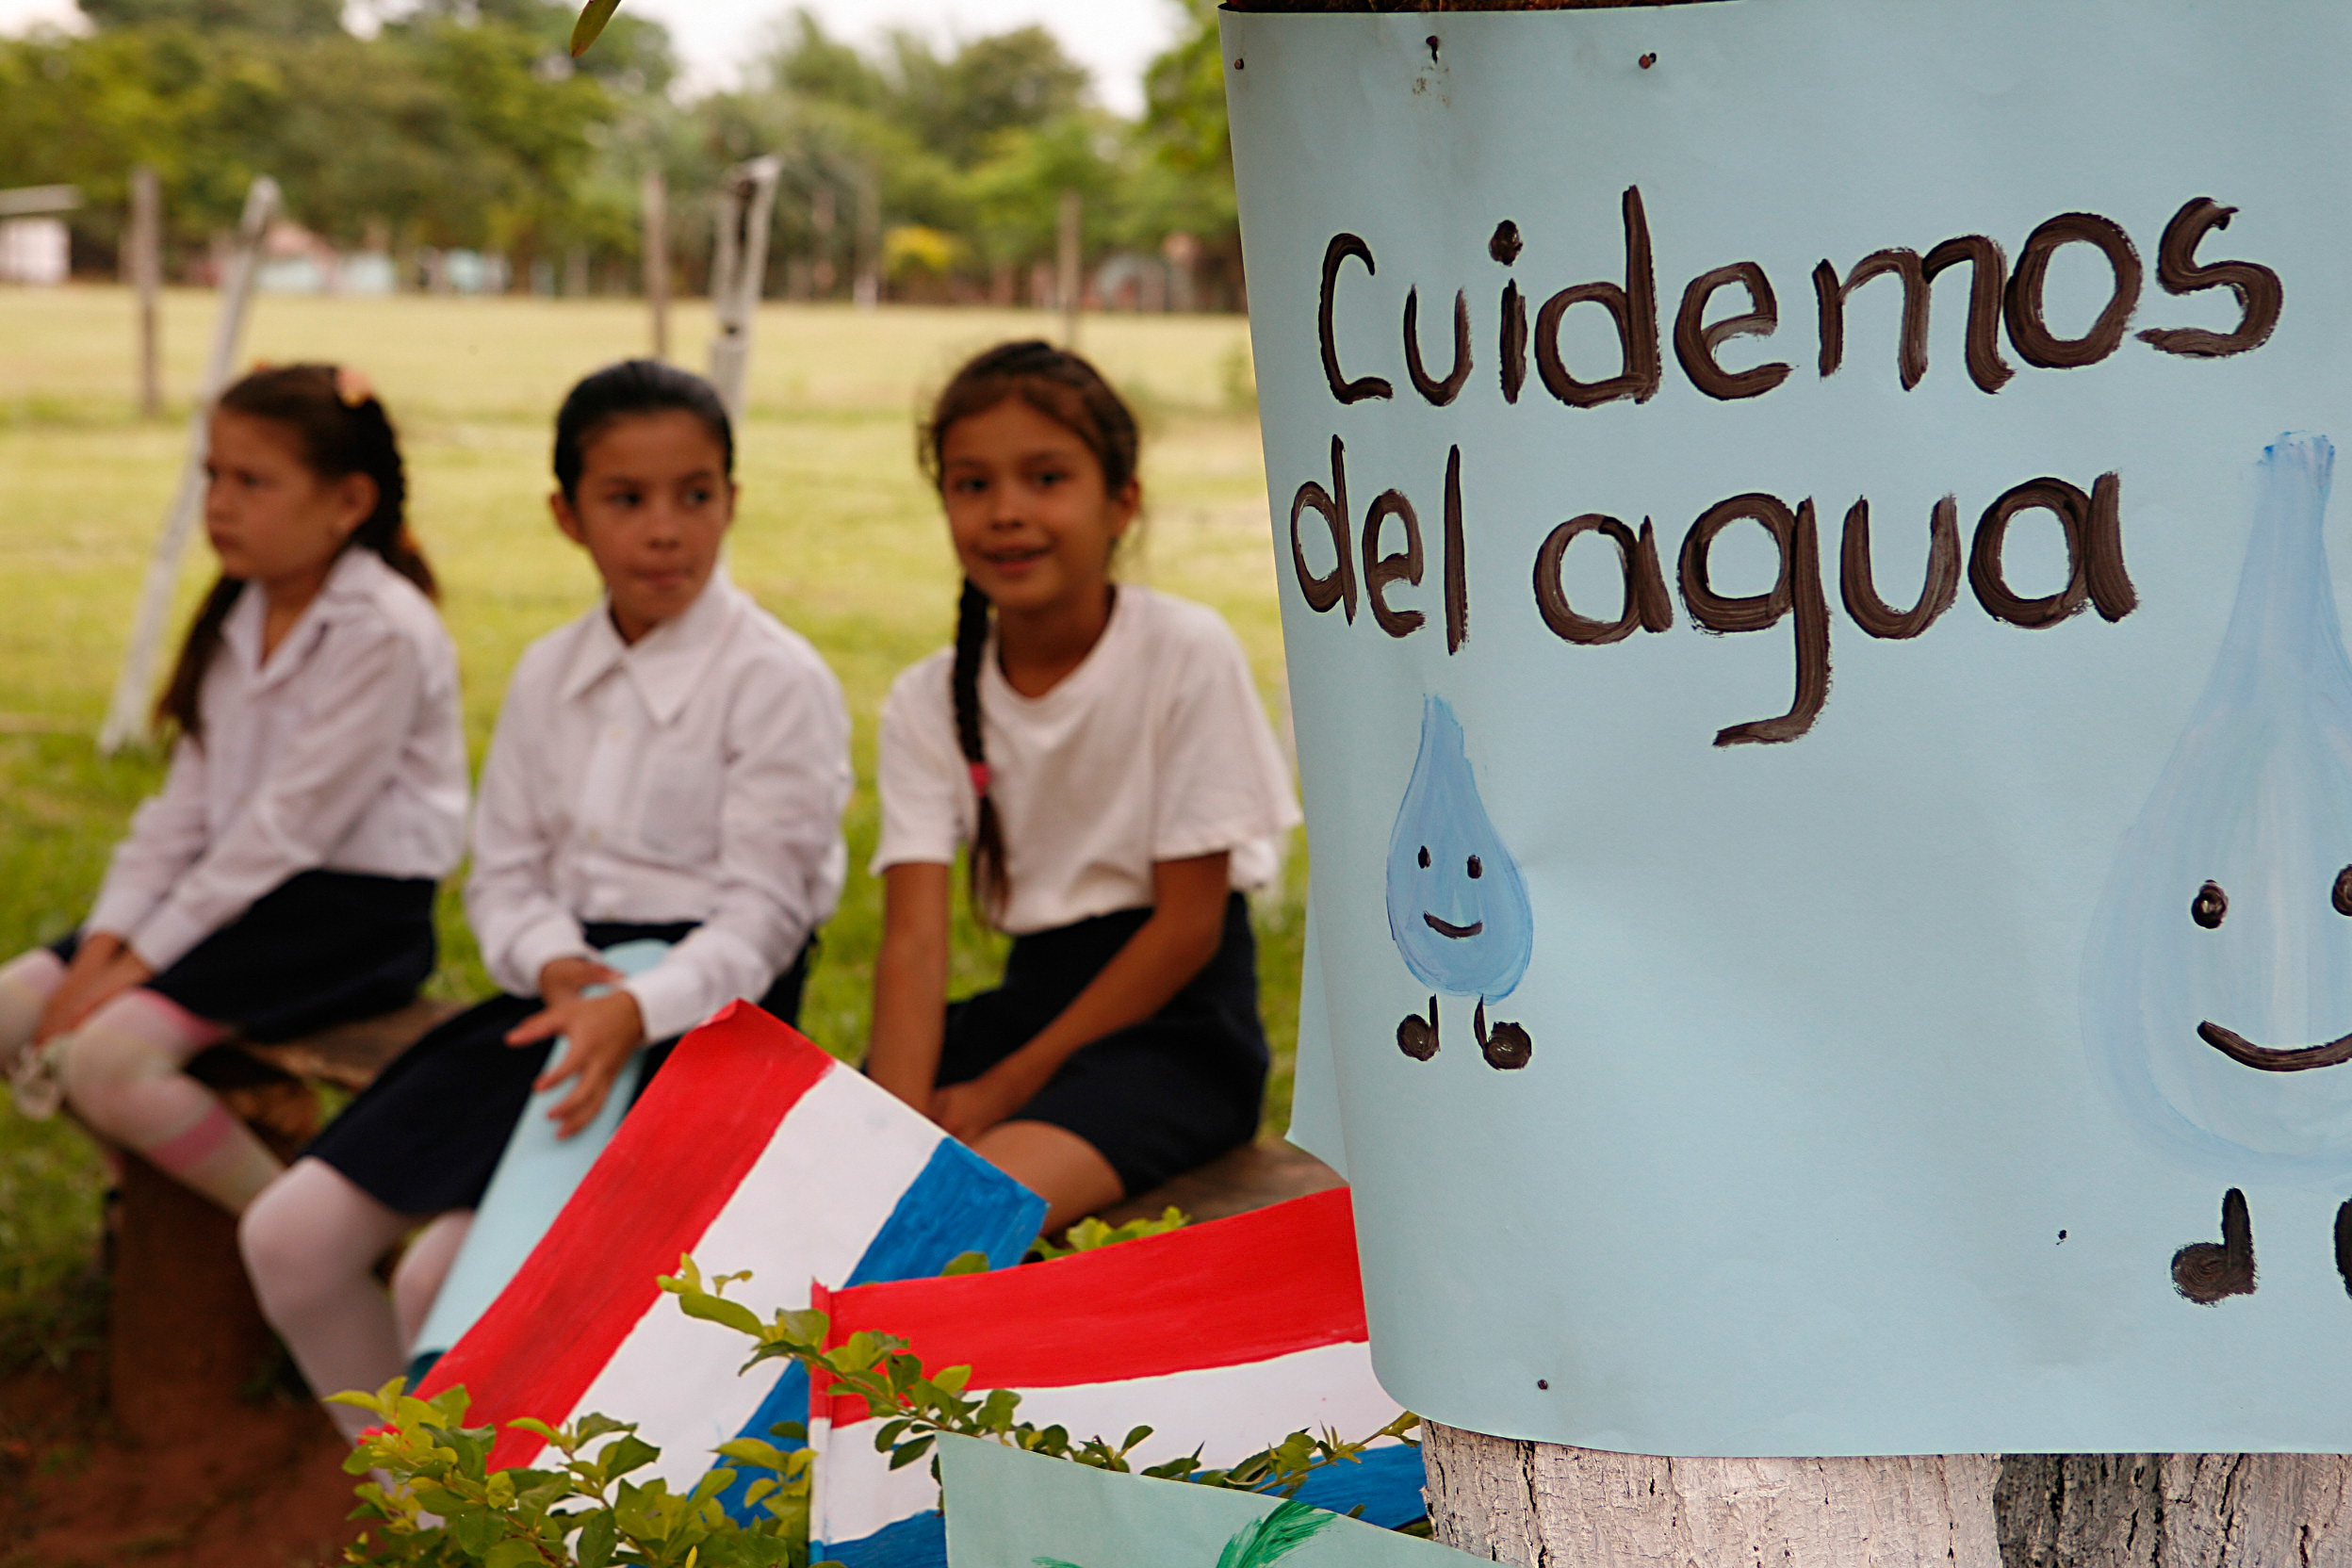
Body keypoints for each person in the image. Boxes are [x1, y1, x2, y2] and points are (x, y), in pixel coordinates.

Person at [239, 359, 852, 1443]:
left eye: (696, 494)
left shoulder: (776, 679)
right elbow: (505, 877)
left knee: (445, 1286)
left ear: (733, 499)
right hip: (559, 1001)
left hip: (705, 1028)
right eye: (627, 499)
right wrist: (553, 958)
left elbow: (765, 921)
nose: (665, 530)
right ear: (568, 515)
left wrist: (634, 1005)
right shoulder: (546, 673)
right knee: (291, 1236)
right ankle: (419, 1513)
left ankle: (497, 1526)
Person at [0, 364, 466, 1217]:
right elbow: (181, 813)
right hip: (235, 896)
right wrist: (103, 949)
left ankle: (283, 1231)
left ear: (348, 503)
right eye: (212, 475)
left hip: (348, 917)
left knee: (105, 1057)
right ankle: (139, 1203)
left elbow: (287, 829)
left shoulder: (383, 632)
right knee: (14, 1012)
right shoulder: (239, 612)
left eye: (253, 481)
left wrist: (131, 969)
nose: (220, 503)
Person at [865, 340, 1300, 1230]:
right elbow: (912, 947)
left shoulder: (1184, 653)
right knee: (844, 1178)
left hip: (1176, 1031)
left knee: (949, 1225)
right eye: (972, 484)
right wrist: (889, 1130)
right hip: (1029, 1009)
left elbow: (1187, 927)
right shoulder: (924, 701)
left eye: (1047, 477)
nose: (1006, 514)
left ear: (1121, 503)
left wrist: (1002, 1087)